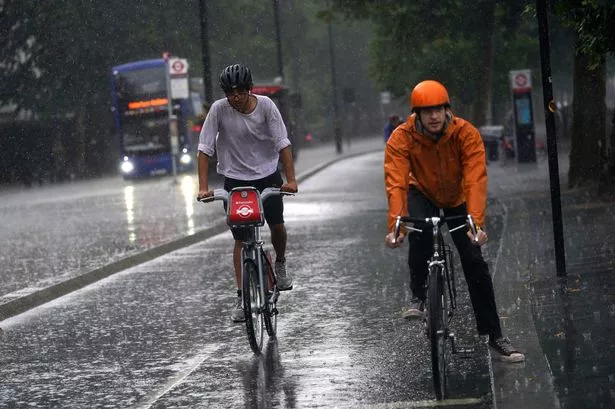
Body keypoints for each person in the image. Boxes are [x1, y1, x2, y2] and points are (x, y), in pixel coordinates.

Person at [383, 80, 524, 363]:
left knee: (474, 261)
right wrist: (396, 226)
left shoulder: (465, 134)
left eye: (439, 109)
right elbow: (396, 182)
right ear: (417, 115)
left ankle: (495, 335)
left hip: (458, 195)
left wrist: (477, 225)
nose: (434, 116)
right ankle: (419, 296)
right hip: (421, 190)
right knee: (420, 230)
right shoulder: (402, 137)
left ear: (448, 110)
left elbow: (475, 179)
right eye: (427, 111)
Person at [196, 64, 298, 323]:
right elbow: (204, 148)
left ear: (249, 90)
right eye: (230, 93)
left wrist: (291, 180)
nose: (235, 98)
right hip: (235, 181)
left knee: (277, 225)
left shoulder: (265, 106)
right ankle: (242, 299)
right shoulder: (219, 110)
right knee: (240, 241)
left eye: (239, 92)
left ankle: (281, 264)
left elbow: (283, 143)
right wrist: (203, 187)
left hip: (267, 175)